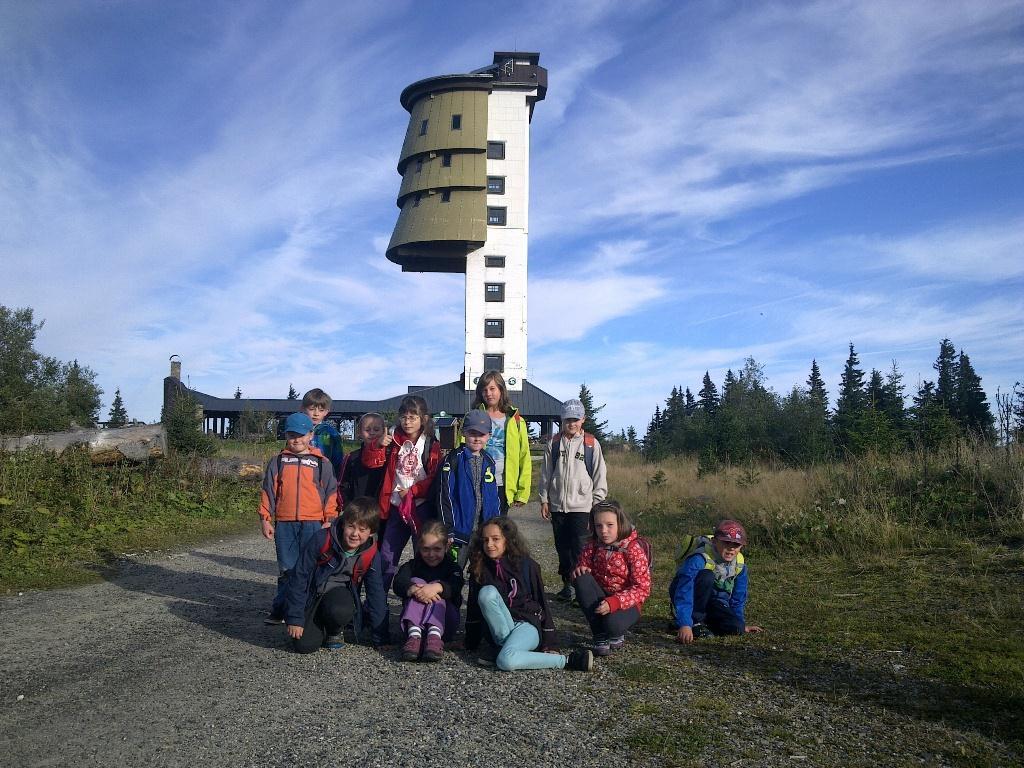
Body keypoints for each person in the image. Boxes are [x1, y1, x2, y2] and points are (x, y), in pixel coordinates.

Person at [465, 517, 593, 673]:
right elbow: (473, 607)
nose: (489, 544)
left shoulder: (527, 565)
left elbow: (541, 601)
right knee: (487, 593)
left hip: (527, 625)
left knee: (506, 661)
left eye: (495, 539)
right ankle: (504, 649)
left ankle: (568, 660)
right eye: (485, 540)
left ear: (507, 540)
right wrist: (469, 642)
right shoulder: (479, 568)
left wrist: (549, 643)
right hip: (500, 630)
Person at [258, 411, 339, 625]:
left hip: (314, 523)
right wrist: (265, 518)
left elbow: (331, 492)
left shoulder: (322, 463)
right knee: (287, 568)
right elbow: (268, 491)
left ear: (311, 434)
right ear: (286, 436)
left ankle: (305, 609)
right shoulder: (278, 462)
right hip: (285, 523)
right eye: (292, 435)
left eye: (302, 434)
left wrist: (329, 518)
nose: (297, 439)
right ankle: (280, 608)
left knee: (310, 567)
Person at [283, 497, 389, 652]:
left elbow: (376, 593)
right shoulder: (321, 539)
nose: (355, 534)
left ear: (371, 532)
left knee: (340, 610)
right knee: (304, 646)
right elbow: (299, 577)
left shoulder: (371, 554)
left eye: (362, 529)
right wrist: (295, 618)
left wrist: (381, 638)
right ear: (343, 523)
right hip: (312, 594)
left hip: (338, 597)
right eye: (351, 527)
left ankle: (334, 631)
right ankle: (314, 621)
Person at [365, 395, 442, 591]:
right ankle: (377, 603)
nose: (407, 422)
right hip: (396, 507)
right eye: (404, 417)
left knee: (424, 554)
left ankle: (420, 600)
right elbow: (370, 461)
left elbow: (434, 477)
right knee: (387, 556)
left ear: (423, 419)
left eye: (413, 417)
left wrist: (414, 491)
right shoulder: (391, 439)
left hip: (420, 506)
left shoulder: (431, 444)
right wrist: (377, 445)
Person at [538, 397, 608, 601]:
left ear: (583, 419)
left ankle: (582, 589)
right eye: (568, 419)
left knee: (581, 549)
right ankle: (567, 585)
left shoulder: (591, 444)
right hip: (558, 506)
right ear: (562, 420)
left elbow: (599, 476)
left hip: (583, 508)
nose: (572, 423)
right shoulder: (554, 443)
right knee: (563, 547)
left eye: (576, 419)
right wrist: (544, 499)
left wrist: (596, 505)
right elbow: (545, 474)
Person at [571, 500, 650, 656]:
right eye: (598, 526)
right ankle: (599, 634)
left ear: (620, 523)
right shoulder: (592, 544)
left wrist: (615, 602)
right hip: (601, 596)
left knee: (612, 624)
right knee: (582, 578)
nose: (604, 531)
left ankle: (614, 632)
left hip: (627, 602)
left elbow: (643, 588)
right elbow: (583, 567)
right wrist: (578, 572)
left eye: (609, 525)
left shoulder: (633, 548)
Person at [669, 519, 764, 643]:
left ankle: (704, 622)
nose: (731, 548)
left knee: (736, 628)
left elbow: (738, 598)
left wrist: (740, 622)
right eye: (726, 543)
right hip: (690, 595)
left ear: (741, 546)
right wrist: (685, 624)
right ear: (715, 541)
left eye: (736, 545)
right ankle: (693, 622)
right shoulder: (699, 559)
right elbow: (684, 590)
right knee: (707, 576)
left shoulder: (740, 564)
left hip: (714, 601)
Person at [392, 520, 464, 662]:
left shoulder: (453, 568)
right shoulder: (412, 565)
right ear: (419, 546)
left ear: (447, 546)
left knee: (436, 585)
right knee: (417, 582)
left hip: (445, 624)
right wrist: (412, 588)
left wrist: (438, 587)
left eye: (437, 549)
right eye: (426, 549)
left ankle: (434, 637)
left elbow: (456, 586)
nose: (431, 554)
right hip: (414, 624)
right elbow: (398, 583)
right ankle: (414, 636)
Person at [438, 409, 501, 565]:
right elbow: (444, 497)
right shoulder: (452, 460)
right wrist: (448, 528)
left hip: (482, 530)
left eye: (481, 434)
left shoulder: (489, 461)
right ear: (464, 433)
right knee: (454, 570)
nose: (477, 438)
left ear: (489, 436)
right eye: (472, 433)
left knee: (480, 571)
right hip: (459, 530)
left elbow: (493, 497)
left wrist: (496, 525)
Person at [471, 370, 531, 514]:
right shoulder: (472, 417)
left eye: (492, 388)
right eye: (484, 390)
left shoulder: (516, 421)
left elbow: (524, 457)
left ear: (501, 390)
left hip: (502, 486)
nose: (488, 393)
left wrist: (522, 492)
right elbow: (460, 451)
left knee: (497, 530)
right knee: (475, 531)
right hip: (476, 483)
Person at [338, 412, 389, 509]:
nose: (372, 433)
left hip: (383, 510)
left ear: (384, 431)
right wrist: (347, 505)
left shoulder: (390, 455)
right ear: (359, 433)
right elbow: (342, 484)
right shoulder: (352, 457)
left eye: (376, 429)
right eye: (367, 429)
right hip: (357, 509)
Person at [301, 388, 344, 478]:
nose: (316, 413)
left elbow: (338, 459)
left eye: (321, 410)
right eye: (312, 409)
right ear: (303, 409)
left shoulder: (331, 433)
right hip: (301, 476)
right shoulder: (297, 431)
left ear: (326, 412)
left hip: (324, 477)